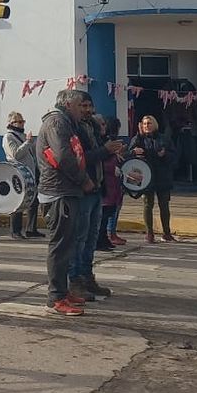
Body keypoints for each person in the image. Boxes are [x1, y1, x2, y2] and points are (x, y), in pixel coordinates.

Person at [37, 89, 97, 317]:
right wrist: (84, 180)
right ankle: (56, 297)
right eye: (80, 105)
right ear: (68, 104)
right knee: (60, 247)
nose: (83, 110)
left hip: (66, 191)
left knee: (68, 246)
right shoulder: (56, 123)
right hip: (58, 193)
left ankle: (62, 291)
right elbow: (63, 157)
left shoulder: (66, 122)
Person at [70, 97, 123, 303]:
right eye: (82, 106)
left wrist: (112, 150)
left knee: (91, 238)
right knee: (79, 238)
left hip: (97, 188)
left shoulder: (92, 127)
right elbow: (81, 157)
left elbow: (101, 154)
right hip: (84, 188)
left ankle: (87, 276)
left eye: (90, 106)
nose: (87, 110)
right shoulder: (72, 128)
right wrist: (105, 150)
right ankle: (75, 280)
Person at [130, 114, 177, 243]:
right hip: (146, 176)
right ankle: (149, 233)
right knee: (147, 205)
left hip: (162, 176)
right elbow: (129, 153)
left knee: (164, 205)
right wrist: (135, 150)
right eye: (144, 124)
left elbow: (173, 156)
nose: (147, 126)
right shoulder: (138, 139)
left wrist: (164, 155)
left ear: (154, 124)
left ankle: (166, 232)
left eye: (149, 123)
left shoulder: (164, 139)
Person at [3, 111, 42, 239]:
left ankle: (31, 228)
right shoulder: (9, 137)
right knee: (18, 201)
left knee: (33, 200)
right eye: (19, 122)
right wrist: (27, 143)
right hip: (17, 172)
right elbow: (15, 154)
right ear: (11, 123)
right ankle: (15, 230)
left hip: (29, 172)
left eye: (22, 121)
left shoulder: (21, 135)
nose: (21, 124)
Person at [98, 116, 125, 249]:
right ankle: (101, 239)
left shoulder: (107, 141)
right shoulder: (100, 143)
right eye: (101, 125)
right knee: (103, 214)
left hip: (113, 183)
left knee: (109, 211)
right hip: (105, 183)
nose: (104, 127)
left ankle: (104, 239)